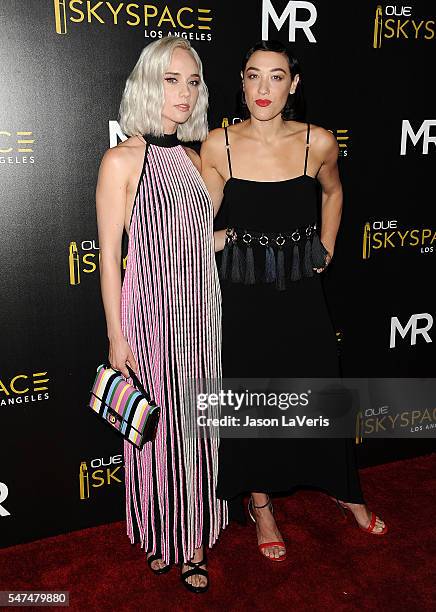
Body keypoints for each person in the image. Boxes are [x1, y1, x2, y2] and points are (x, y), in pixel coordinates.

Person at [200, 40, 387, 563]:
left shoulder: (318, 143)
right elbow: (198, 217)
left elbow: (334, 192)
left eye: (276, 77)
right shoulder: (220, 145)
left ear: (294, 84)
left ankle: (345, 488)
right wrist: (208, 239)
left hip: (300, 284)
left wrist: (326, 245)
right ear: (241, 81)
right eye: (254, 76)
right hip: (242, 286)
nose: (263, 89)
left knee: (322, 384)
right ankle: (260, 506)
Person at [96, 36, 227, 593]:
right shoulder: (122, 159)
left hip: (202, 317)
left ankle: (193, 539)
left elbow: (193, 238)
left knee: (197, 428)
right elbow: (108, 255)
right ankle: (158, 530)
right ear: (148, 83)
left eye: (192, 81)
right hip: (148, 319)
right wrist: (114, 335)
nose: (184, 92)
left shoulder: (196, 159)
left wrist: (225, 240)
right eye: (172, 79)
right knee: (154, 431)